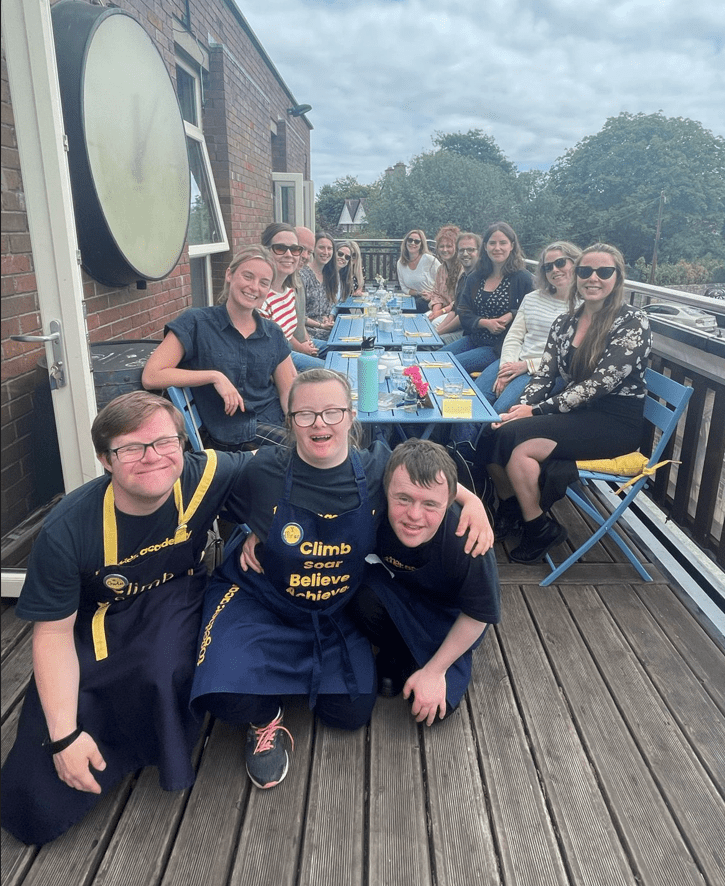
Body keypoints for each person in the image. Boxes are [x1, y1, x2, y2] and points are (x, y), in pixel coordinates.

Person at [189, 369, 493, 790]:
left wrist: (472, 501)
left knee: (350, 713)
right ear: (289, 418)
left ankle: (277, 678)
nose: (320, 424)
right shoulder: (259, 470)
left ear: (351, 417)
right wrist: (252, 531)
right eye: (306, 414)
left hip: (329, 611)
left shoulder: (376, 467)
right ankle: (265, 718)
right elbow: (188, 482)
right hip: (261, 600)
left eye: (332, 412)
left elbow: (427, 476)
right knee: (221, 694)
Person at [0, 392, 255, 845]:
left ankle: (154, 748)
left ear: (182, 445)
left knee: (160, 669)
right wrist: (62, 737)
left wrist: (259, 528)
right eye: (130, 448)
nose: (152, 457)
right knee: (31, 804)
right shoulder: (67, 531)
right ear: (105, 459)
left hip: (174, 598)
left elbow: (280, 470)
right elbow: (53, 634)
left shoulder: (207, 474)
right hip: (94, 622)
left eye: (164, 442)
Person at [479, 243, 652, 562]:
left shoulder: (632, 322)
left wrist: (536, 410)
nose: (593, 278)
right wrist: (519, 410)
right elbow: (545, 376)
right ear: (577, 276)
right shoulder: (565, 323)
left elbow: (599, 385)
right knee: (494, 431)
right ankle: (513, 508)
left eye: (604, 271)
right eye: (586, 271)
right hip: (575, 415)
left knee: (522, 450)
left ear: (618, 277)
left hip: (614, 423)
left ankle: (538, 527)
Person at [349, 440, 501, 726]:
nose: (414, 516)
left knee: (435, 711)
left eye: (430, 504)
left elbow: (478, 615)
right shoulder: (374, 503)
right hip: (401, 591)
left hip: (449, 617)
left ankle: (426, 662)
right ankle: (394, 652)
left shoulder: (468, 538)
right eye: (403, 499)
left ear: (448, 500)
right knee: (358, 595)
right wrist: (262, 526)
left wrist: (435, 671)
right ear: (386, 490)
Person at [142, 245, 296, 450]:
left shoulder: (272, 332)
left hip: (273, 419)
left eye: (263, 283)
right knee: (308, 449)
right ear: (230, 275)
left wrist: (303, 423)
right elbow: (151, 376)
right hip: (233, 432)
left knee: (343, 435)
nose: (254, 287)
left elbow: (288, 392)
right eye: (248, 276)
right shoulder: (197, 322)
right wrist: (215, 376)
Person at [450, 241, 580, 445]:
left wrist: (525, 366)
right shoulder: (533, 298)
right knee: (470, 399)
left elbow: (570, 356)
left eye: (560, 263)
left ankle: (477, 462)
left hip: (546, 372)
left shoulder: (584, 307)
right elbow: (514, 337)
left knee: (499, 409)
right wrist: (505, 369)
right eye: (547, 266)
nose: (554, 270)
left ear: (575, 263)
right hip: (513, 362)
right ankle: (457, 453)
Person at [442, 222, 534, 374]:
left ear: (511, 246)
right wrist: (484, 323)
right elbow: (463, 311)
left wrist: (512, 314)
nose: (497, 248)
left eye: (503, 243)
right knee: (434, 359)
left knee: (450, 366)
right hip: (474, 339)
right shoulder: (476, 277)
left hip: (498, 347)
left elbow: (533, 309)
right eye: (492, 243)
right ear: (485, 247)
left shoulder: (522, 278)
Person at [260, 223, 324, 371]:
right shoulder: (260, 298)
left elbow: (288, 333)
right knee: (333, 371)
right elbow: (272, 351)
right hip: (280, 360)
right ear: (265, 251)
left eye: (295, 249)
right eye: (280, 248)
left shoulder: (288, 291)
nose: (289, 255)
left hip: (290, 351)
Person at [436, 232, 481, 343]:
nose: (465, 254)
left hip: (471, 333)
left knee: (432, 344)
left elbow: (462, 318)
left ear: (480, 252)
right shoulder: (463, 277)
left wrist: (439, 333)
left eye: (470, 250)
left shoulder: (479, 279)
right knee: (432, 336)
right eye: (461, 250)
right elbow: (455, 310)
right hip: (462, 330)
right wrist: (437, 331)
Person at [301, 231, 339, 340]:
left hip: (327, 331)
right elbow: (299, 316)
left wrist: (327, 318)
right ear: (313, 250)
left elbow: (324, 310)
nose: (326, 252)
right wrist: (321, 325)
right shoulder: (303, 275)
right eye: (321, 247)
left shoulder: (329, 275)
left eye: (329, 248)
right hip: (309, 335)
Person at [396, 229, 441, 312]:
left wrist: (432, 294)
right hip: (412, 298)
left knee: (409, 309)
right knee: (394, 307)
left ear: (421, 245)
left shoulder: (430, 260)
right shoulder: (401, 263)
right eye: (410, 240)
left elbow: (443, 280)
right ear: (406, 242)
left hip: (430, 299)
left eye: (416, 241)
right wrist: (418, 293)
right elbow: (404, 287)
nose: (412, 243)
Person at [426, 225, 462, 324]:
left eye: (449, 246)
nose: (444, 250)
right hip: (442, 309)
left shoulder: (462, 269)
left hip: (456, 313)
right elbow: (437, 294)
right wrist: (435, 312)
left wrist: (441, 312)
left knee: (434, 323)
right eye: (441, 246)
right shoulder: (441, 269)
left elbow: (459, 300)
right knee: (425, 318)